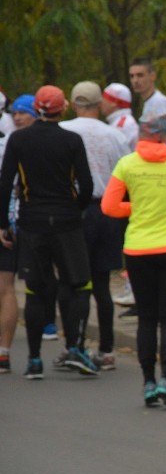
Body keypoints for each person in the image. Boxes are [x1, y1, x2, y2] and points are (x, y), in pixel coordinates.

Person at [101, 112, 166, 406]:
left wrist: (134, 208)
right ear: (163, 136)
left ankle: (147, 382)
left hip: (137, 250)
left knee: (146, 318)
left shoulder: (127, 165)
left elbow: (109, 206)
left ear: (142, 136)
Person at [0, 85, 95, 379]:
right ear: (62, 108)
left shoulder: (19, 139)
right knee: (78, 284)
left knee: (36, 290)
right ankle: (75, 347)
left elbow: (6, 182)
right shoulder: (71, 140)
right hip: (66, 221)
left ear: (36, 109)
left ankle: (35, 360)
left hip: (32, 222)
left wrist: (3, 223)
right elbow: (87, 184)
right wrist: (75, 208)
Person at [58, 81, 131, 371]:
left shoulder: (65, 132)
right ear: (100, 105)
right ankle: (107, 349)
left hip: (77, 210)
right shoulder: (114, 135)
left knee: (75, 281)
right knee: (101, 282)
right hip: (109, 210)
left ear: (74, 105)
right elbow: (127, 171)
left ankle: (75, 344)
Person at [0, 94, 34, 372]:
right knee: (6, 287)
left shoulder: (15, 138)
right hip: (13, 215)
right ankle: (4, 352)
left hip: (10, 215)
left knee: (6, 287)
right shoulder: (17, 136)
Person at [101, 82, 139, 311]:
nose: (101, 103)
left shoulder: (124, 125)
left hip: (127, 191)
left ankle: (133, 287)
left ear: (114, 101)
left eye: (105, 98)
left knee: (130, 240)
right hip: (127, 190)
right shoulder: (120, 123)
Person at [129, 57, 166, 150]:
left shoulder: (159, 103)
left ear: (152, 76)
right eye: (132, 76)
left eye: (140, 75)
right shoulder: (149, 102)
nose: (135, 80)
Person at [101, 82, 139, 150]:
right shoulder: (122, 122)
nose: (101, 102)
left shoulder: (121, 126)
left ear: (114, 103)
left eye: (104, 98)